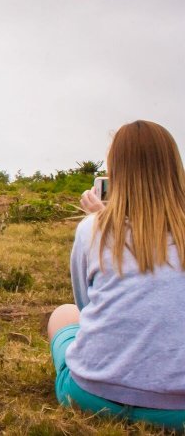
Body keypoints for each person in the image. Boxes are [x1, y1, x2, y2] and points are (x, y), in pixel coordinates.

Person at [47, 120, 185, 430]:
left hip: (93, 397)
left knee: (63, 314)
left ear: (115, 174)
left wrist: (101, 220)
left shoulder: (91, 230)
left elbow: (85, 306)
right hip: (180, 412)